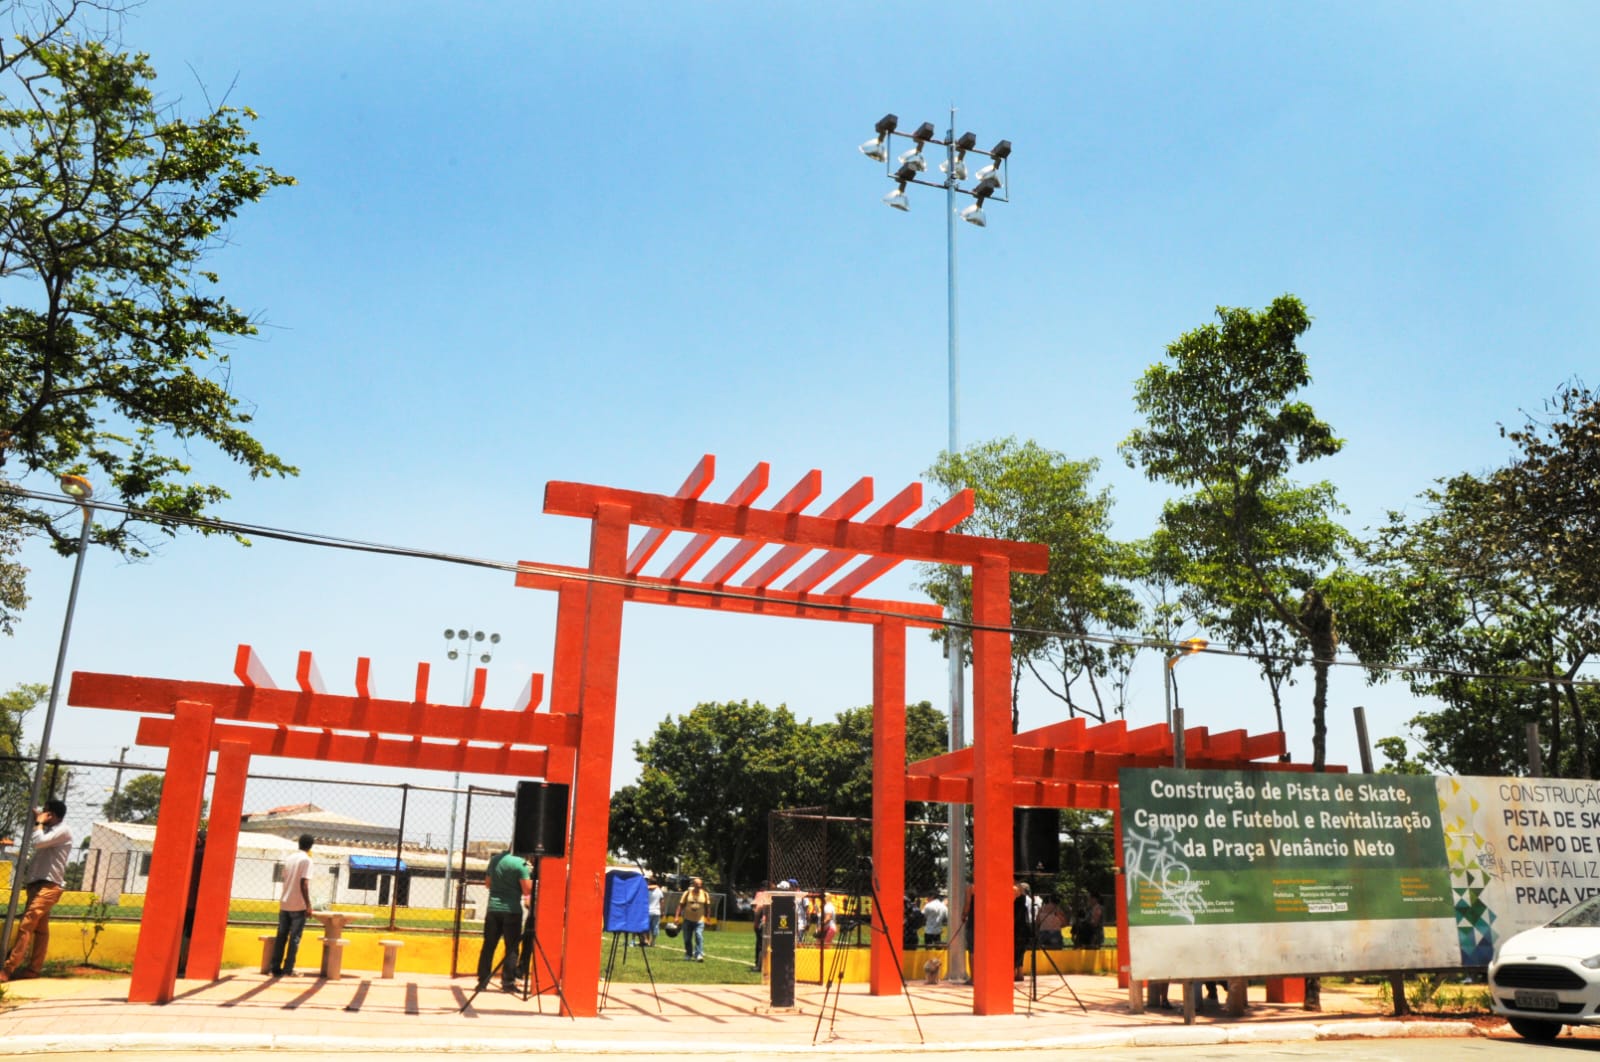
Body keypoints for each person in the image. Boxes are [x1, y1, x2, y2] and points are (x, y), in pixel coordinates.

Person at [0, 799, 72, 983]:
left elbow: (39, 842)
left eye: (45, 812)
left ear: (52, 815)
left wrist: (39, 823)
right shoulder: (49, 830)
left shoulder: (62, 831)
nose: (42, 814)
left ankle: (8, 968)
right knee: (40, 930)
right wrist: (38, 820)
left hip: (50, 886)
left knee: (27, 924)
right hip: (36, 885)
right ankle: (34, 969)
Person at [477, 849, 531, 992]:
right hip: (512, 910)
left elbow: (488, 883)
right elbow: (527, 889)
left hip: (493, 909)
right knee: (511, 948)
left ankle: (482, 981)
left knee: (488, 946)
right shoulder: (521, 864)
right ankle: (508, 982)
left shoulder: (495, 860)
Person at [269, 834, 314, 977]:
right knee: (295, 938)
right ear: (311, 846)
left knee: (281, 936)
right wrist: (308, 905)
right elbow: (304, 883)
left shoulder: (289, 858)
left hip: (285, 903)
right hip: (298, 905)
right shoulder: (307, 860)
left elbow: (285, 878)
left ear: (299, 843)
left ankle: (274, 968)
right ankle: (288, 969)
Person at [675, 876, 711, 961]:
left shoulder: (705, 894)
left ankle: (699, 954)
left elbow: (708, 907)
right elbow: (681, 905)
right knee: (687, 938)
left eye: (700, 885)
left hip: (699, 920)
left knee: (699, 935)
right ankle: (688, 954)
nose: (699, 886)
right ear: (693, 885)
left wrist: (708, 919)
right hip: (687, 919)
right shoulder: (687, 893)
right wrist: (676, 917)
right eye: (697, 885)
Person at [646, 878, 665, 946]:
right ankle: (653, 941)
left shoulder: (646, 890)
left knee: (647, 927)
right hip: (657, 911)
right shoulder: (659, 891)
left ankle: (648, 940)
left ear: (650, 882)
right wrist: (662, 911)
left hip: (648, 911)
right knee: (655, 927)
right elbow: (662, 901)